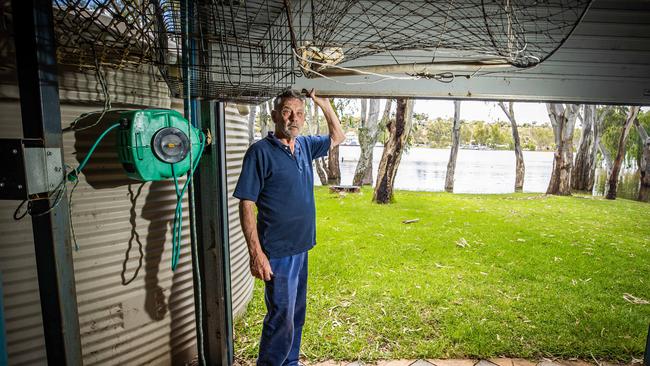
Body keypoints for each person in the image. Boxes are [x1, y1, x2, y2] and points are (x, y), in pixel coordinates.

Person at [234, 89, 345, 365]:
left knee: (296, 314)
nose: (293, 118)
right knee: (281, 317)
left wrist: (325, 104)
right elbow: (246, 204)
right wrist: (255, 253)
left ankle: (290, 363)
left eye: (298, 113)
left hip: (301, 246)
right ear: (274, 116)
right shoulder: (260, 152)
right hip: (277, 252)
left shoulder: (305, 145)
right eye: (286, 112)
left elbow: (338, 136)